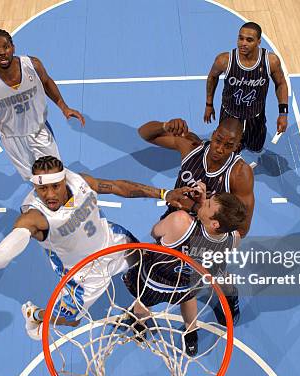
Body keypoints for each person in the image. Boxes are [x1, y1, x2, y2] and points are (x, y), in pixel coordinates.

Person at [0, 156, 189, 340]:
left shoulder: (79, 181)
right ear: (35, 186)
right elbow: (2, 255)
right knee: (71, 320)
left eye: (55, 186)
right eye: (42, 188)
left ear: (64, 180)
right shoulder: (35, 217)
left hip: (113, 242)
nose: (50, 194)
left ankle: (138, 311)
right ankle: (35, 314)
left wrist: (164, 194)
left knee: (148, 269)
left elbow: (117, 187)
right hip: (83, 273)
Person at [122, 182, 246, 356]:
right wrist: (202, 209)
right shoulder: (234, 238)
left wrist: (186, 212)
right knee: (189, 300)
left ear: (215, 223)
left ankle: (139, 325)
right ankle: (191, 334)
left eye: (208, 204)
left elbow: (155, 233)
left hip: (156, 280)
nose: (205, 200)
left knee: (142, 303)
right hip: (186, 285)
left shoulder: (180, 221)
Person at [0, 29, 85, 180]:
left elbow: (46, 82)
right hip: (11, 138)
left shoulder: (32, 65)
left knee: (54, 174)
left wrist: (63, 106)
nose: (2, 52)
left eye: (6, 47)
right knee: (32, 178)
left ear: (13, 48)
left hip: (39, 131)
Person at [138, 117, 254, 238]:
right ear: (213, 135)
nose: (220, 149)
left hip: (204, 236)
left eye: (228, 146)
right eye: (218, 141)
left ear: (237, 147)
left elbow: (242, 228)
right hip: (173, 221)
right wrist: (165, 125)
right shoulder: (192, 146)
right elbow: (144, 133)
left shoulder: (240, 173)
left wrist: (208, 239)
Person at [204, 22, 288, 153]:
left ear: (259, 41)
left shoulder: (271, 61)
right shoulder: (224, 60)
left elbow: (281, 83)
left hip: (256, 114)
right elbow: (212, 78)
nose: (243, 43)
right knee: (226, 151)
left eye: (249, 40)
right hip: (229, 113)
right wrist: (209, 104)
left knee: (255, 147)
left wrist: (283, 113)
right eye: (240, 38)